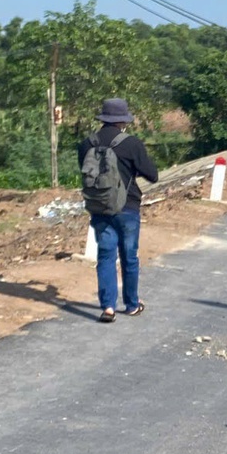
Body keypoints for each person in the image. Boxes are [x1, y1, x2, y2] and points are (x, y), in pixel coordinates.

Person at [78, 97, 158, 324]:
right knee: (129, 257)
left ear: (103, 119)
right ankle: (132, 305)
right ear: (123, 120)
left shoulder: (87, 144)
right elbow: (153, 175)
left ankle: (108, 308)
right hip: (127, 207)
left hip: (100, 207)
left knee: (105, 256)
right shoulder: (131, 144)